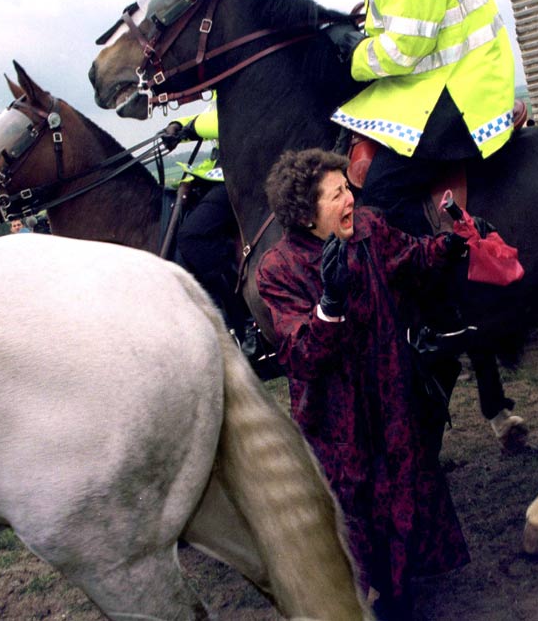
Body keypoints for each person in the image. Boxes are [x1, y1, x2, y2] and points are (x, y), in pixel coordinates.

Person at [256, 149, 470, 619]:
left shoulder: (370, 228)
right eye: (337, 195)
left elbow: (410, 257)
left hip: (390, 393)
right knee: (357, 507)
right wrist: (329, 303)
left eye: (348, 189)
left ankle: (397, 595)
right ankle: (366, 592)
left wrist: (450, 245)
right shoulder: (279, 269)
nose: (350, 199)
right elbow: (300, 356)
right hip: (337, 418)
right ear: (307, 213)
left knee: (401, 487)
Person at [326, 0, 518, 237]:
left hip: (463, 89)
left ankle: (433, 263)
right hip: (435, 79)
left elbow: (404, 50)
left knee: (381, 193)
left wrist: (355, 55)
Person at [161, 102, 250, 336]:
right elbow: (214, 115)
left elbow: (230, 116)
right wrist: (178, 124)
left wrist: (188, 127)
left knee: (193, 236)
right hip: (222, 172)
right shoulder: (219, 89)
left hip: (244, 173)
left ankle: (242, 318)